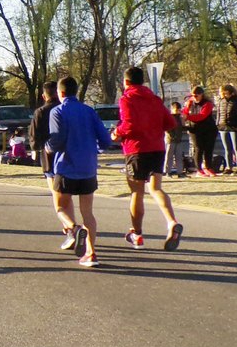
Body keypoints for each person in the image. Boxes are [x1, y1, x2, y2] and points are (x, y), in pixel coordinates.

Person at [113, 66, 184, 251]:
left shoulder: (127, 98)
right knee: (156, 188)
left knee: (137, 192)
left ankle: (137, 234)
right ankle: (171, 222)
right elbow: (170, 123)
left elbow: (128, 124)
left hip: (136, 149)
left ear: (126, 82)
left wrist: (116, 133)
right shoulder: (154, 99)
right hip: (157, 148)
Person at [45, 77, 113, 268]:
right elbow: (106, 141)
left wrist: (48, 147)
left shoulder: (58, 111)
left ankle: (74, 229)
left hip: (65, 166)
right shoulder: (89, 111)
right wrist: (94, 149)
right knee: (88, 213)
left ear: (61, 93)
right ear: (76, 91)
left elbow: (57, 140)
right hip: (88, 167)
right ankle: (92, 254)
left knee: (60, 207)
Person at [28, 82, 74, 246]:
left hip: (49, 158)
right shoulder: (66, 110)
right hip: (69, 155)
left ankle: (71, 229)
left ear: (43, 96)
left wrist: (34, 150)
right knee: (67, 196)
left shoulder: (40, 112)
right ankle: (70, 226)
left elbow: (34, 137)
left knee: (58, 199)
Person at [183, 86, 218, 176]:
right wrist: (186, 115)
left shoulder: (207, 104)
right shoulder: (189, 103)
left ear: (202, 94)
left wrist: (188, 117)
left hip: (208, 129)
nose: (194, 97)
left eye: (196, 95)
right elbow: (184, 113)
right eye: (193, 95)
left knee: (208, 148)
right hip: (195, 129)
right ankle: (198, 168)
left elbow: (202, 116)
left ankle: (208, 167)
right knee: (198, 148)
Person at [215, 84, 237, 174]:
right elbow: (218, 113)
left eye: (225, 92)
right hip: (223, 126)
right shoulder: (221, 101)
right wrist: (218, 124)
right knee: (227, 148)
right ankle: (229, 167)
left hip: (235, 127)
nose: (223, 94)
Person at [165, 102, 187, 178]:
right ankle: (167, 171)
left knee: (179, 157)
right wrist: (172, 136)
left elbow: (182, 128)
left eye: (179, 109)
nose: (178, 111)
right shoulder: (169, 117)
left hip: (178, 139)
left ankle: (180, 172)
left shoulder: (180, 118)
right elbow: (167, 128)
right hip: (170, 140)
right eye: (176, 109)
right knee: (169, 156)